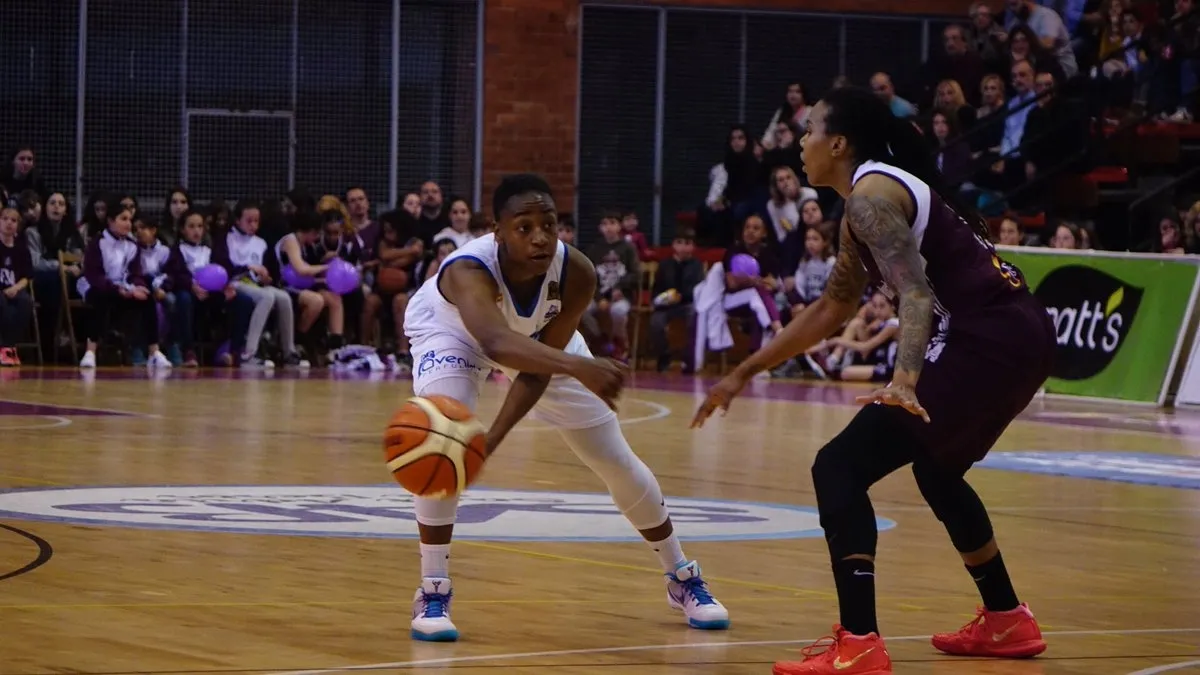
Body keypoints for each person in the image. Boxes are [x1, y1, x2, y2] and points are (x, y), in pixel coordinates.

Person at [692, 86, 1056, 675]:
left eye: (809, 130)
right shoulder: (860, 204)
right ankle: (1007, 618)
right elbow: (832, 308)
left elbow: (914, 293)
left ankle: (859, 640)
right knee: (937, 471)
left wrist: (905, 379)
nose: (800, 143)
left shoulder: (871, 198)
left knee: (838, 467)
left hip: (986, 337)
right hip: (1021, 333)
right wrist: (743, 371)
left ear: (837, 143)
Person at [403, 173, 729, 642]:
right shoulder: (466, 270)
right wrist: (579, 366)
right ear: (498, 232)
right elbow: (495, 341)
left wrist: (492, 441)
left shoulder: (577, 272)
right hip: (452, 332)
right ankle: (433, 588)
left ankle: (682, 576)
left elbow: (534, 371)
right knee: (444, 440)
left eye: (549, 225)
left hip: (535, 344)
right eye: (524, 227)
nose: (539, 237)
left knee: (612, 457)